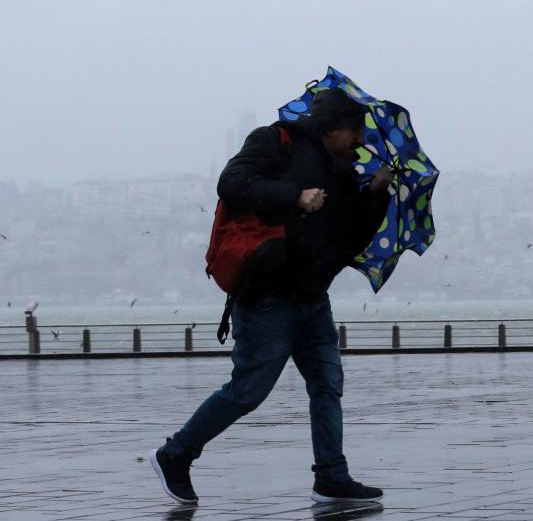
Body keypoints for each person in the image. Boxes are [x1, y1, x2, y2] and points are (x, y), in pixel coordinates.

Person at [151, 89, 391, 504]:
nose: (361, 139)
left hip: (313, 299)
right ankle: (176, 454)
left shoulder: (345, 173)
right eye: (356, 129)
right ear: (332, 127)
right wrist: (294, 198)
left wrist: (373, 195)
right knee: (248, 390)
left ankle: (331, 477)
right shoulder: (273, 141)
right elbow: (232, 183)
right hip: (267, 297)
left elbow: (350, 243)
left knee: (327, 384)